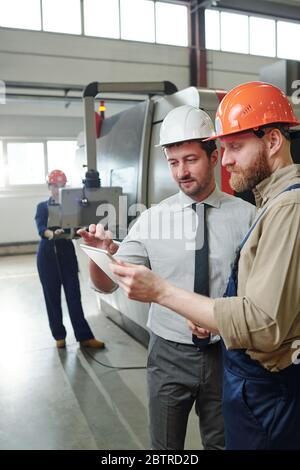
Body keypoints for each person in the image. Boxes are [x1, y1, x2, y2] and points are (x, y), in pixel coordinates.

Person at [110, 82, 300, 450]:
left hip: (245, 363)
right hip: (181, 353)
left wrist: (164, 292)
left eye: (234, 147)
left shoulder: (269, 210)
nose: (228, 160)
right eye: (173, 161)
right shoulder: (154, 217)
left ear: (273, 141)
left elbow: (263, 320)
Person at [78, 105, 256, 450]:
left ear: (215, 156)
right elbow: (107, 284)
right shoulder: (150, 220)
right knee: (165, 446)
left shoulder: (248, 218)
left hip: (228, 354)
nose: (181, 172)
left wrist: (221, 319)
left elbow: (259, 290)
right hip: (168, 355)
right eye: (173, 163)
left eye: (190, 159)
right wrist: (98, 255)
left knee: (223, 444)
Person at [35, 169, 105, 350]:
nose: (58, 190)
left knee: (74, 296)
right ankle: (59, 335)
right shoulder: (42, 207)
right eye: (54, 186)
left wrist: (77, 232)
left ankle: (84, 337)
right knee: (52, 298)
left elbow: (76, 229)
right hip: (47, 257)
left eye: (61, 186)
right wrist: (53, 233)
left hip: (67, 255)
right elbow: (41, 229)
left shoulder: (71, 206)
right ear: (49, 187)